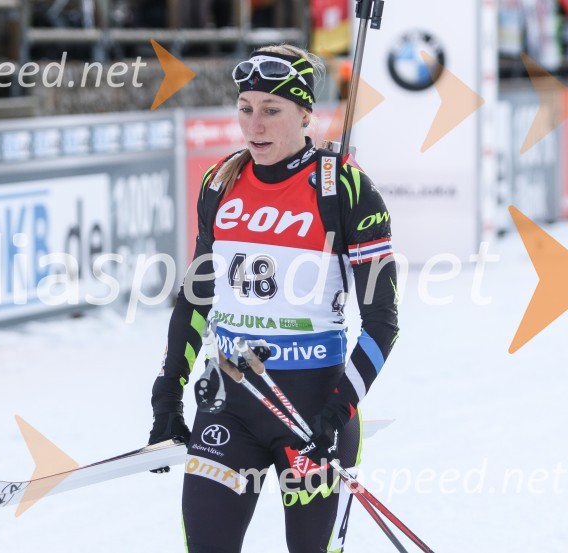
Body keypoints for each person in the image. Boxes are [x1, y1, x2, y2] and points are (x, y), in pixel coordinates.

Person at [148, 44, 399, 553]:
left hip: (313, 409)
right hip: (229, 403)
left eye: (271, 110)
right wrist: (168, 391)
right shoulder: (221, 183)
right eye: (245, 109)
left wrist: (339, 409)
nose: (254, 125)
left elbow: (381, 321)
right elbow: (197, 298)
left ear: (306, 114)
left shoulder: (345, 189)